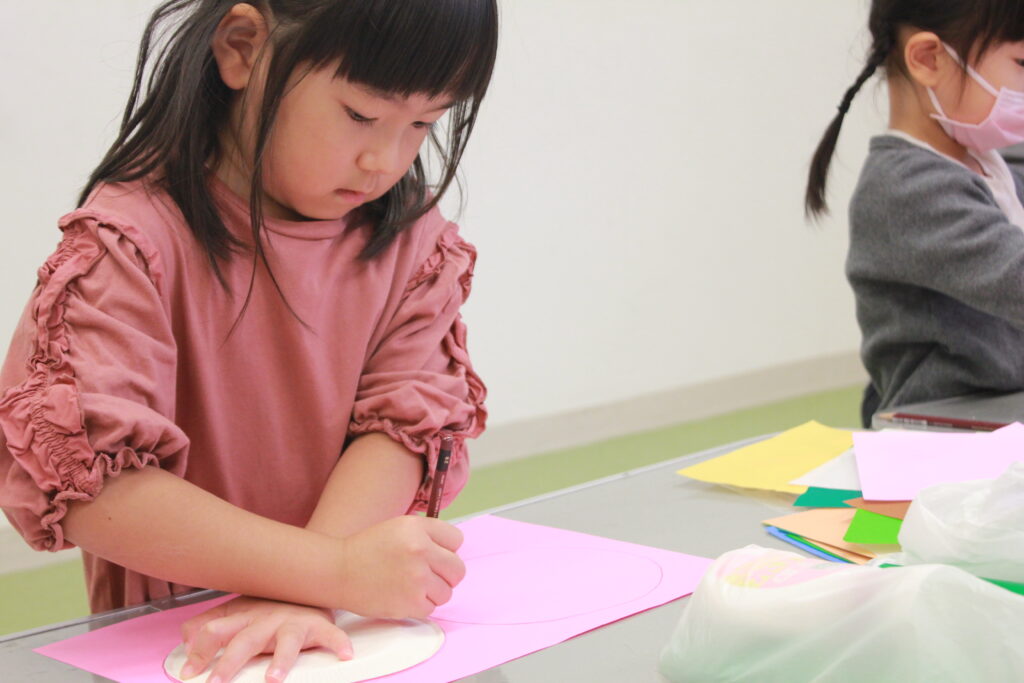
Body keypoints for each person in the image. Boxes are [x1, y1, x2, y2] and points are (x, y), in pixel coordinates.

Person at [0, 0, 495, 680]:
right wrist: (333, 569)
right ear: (241, 48)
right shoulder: (131, 241)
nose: (386, 158)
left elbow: (401, 430)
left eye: (424, 122)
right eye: (360, 114)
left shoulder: (411, 242)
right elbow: (97, 491)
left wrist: (312, 590)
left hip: (347, 636)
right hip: (189, 648)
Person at [805, 0, 1024, 428]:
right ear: (927, 59)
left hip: (996, 415)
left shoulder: (988, 160)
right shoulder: (907, 188)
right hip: (941, 435)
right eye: (1022, 63)